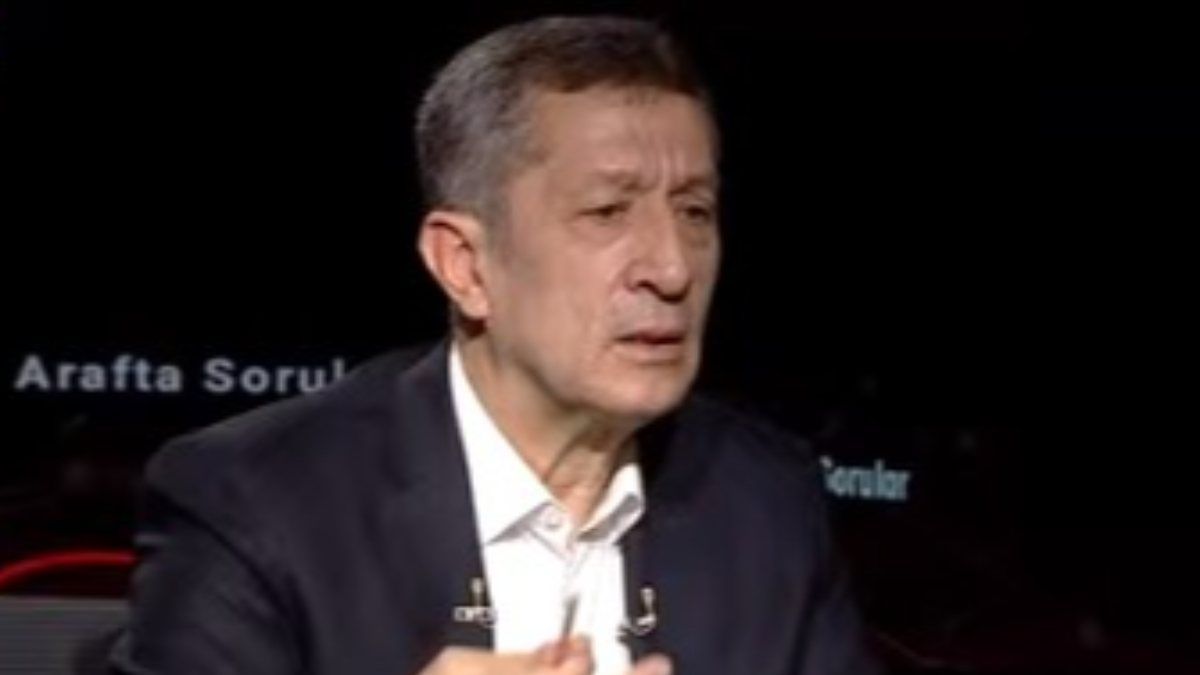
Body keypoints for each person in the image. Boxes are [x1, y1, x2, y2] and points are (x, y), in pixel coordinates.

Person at [110, 15, 881, 675]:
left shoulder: (766, 500)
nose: (673, 268)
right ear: (466, 266)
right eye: (607, 211)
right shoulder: (257, 501)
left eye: (694, 212)